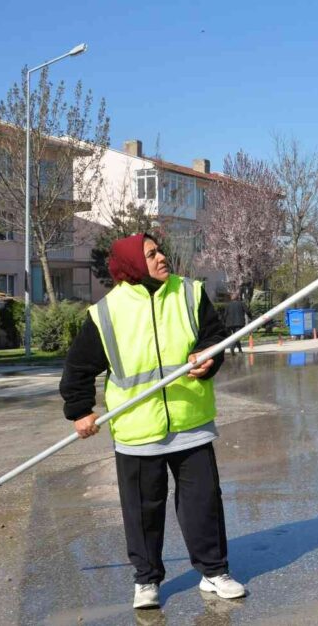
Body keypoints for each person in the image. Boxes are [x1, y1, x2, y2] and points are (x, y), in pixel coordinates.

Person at [59, 233, 245, 610]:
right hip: (137, 430)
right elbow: (78, 369)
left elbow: (215, 337)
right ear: (131, 265)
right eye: (152, 254)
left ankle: (214, 571)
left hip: (190, 422)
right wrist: (80, 410)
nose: (162, 257)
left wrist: (209, 357)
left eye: (160, 250)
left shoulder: (190, 293)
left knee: (203, 503)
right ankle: (146, 580)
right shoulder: (107, 313)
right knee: (143, 509)